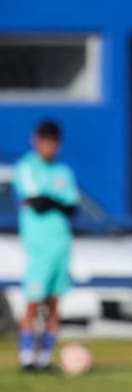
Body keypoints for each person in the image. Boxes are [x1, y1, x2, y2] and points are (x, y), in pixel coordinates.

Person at [13, 120, 79, 372]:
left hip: (61, 245)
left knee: (54, 304)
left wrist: (49, 199)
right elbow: (36, 201)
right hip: (39, 247)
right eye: (45, 141)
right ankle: (27, 356)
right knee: (33, 302)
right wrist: (54, 201)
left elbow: (71, 206)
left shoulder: (64, 171)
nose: (49, 147)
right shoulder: (26, 167)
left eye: (53, 142)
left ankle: (45, 359)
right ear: (36, 141)